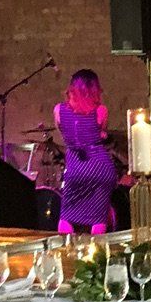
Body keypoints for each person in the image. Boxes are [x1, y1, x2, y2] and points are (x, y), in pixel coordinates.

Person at [54, 68, 118, 235]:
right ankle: (97, 252)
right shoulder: (100, 110)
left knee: (67, 214)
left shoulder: (58, 110)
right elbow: (102, 133)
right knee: (98, 216)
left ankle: (65, 249)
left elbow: (62, 132)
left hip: (76, 166)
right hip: (99, 167)